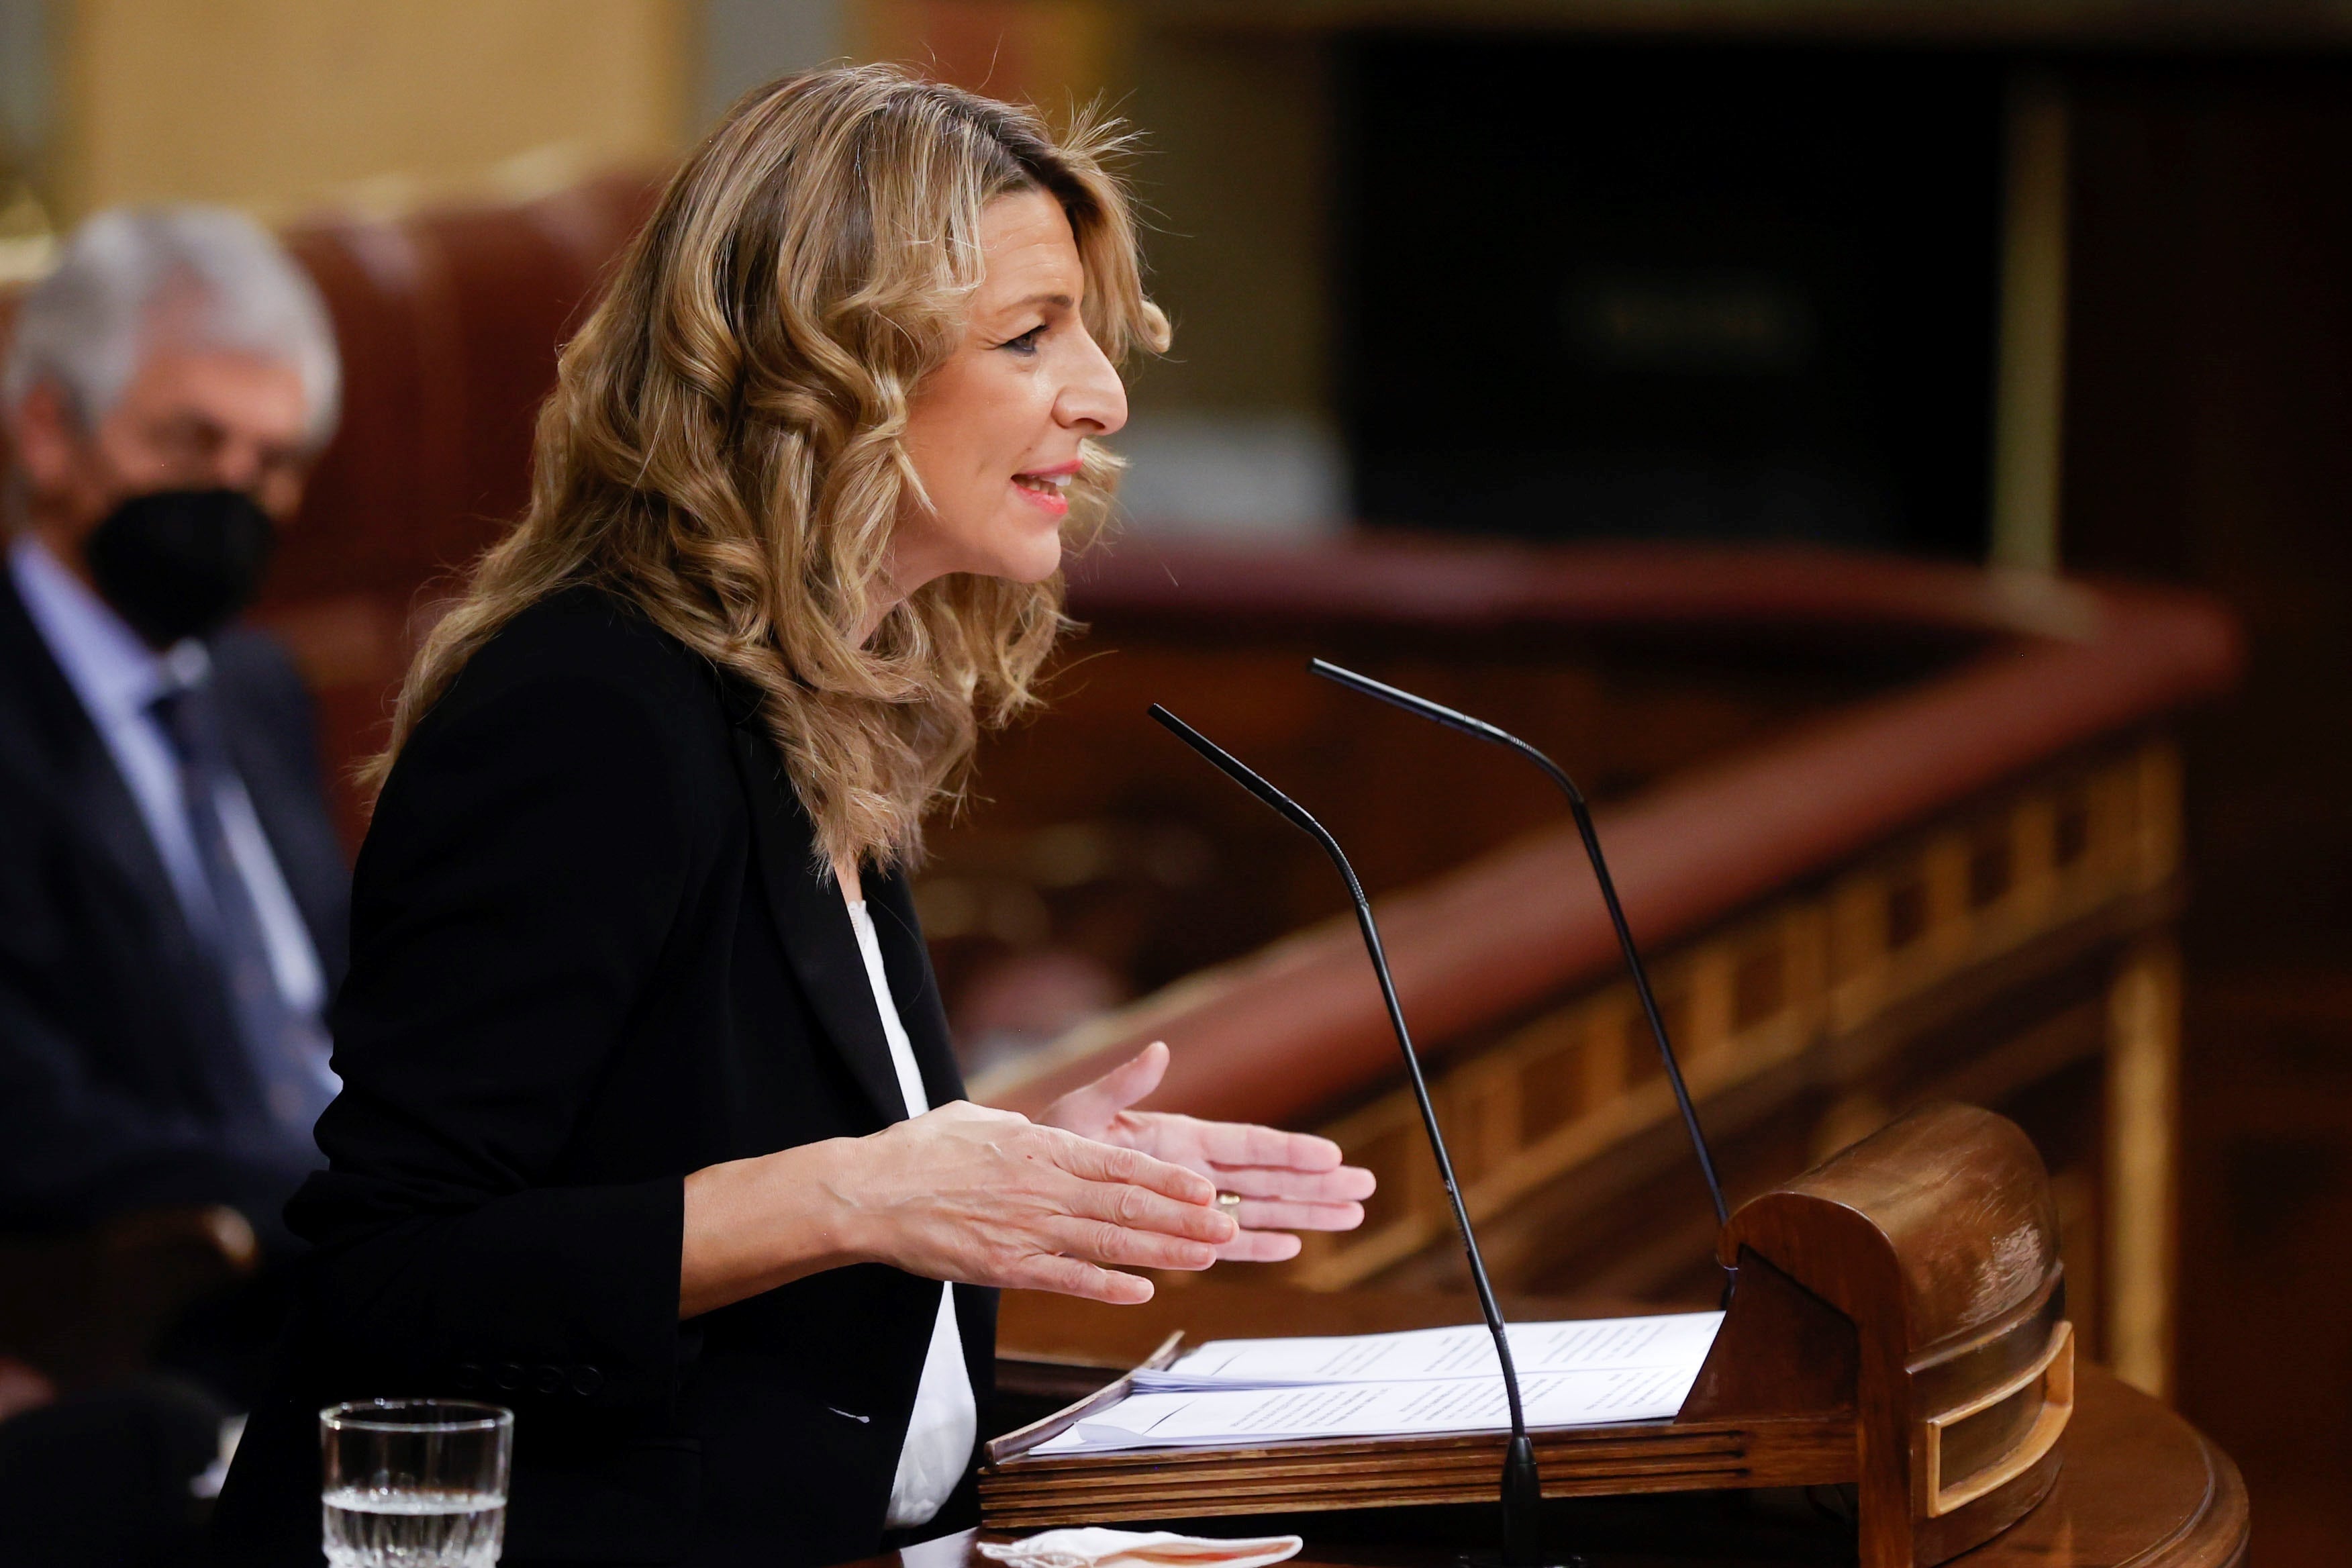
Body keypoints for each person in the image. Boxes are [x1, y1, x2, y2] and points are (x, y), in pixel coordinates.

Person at [211, 66, 1374, 1568]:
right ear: (825, 371)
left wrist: (1004, 1164)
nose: (1105, 395)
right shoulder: (592, 707)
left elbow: (708, 1146)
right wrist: (876, 1183)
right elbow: (397, 1273)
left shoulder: (820, 689)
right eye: (1030, 336)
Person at [0, 206, 348, 1386]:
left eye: (274, 464)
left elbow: (353, 997)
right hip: (173, 1315)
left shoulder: (256, 687)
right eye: (193, 445)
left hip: (376, 1248)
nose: (234, 497)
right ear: (47, 428)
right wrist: (347, 1199)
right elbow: (33, 1119)